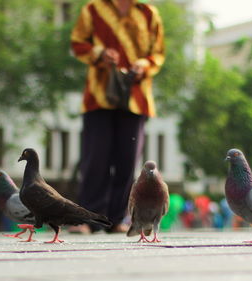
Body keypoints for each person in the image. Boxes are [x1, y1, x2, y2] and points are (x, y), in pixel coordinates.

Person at [70, 0, 165, 233]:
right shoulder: (93, 9)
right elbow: (77, 44)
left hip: (136, 96)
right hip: (99, 95)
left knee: (128, 161)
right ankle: (89, 220)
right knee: (95, 159)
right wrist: (99, 54)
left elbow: (158, 53)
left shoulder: (148, 13)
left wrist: (144, 65)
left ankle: (118, 219)